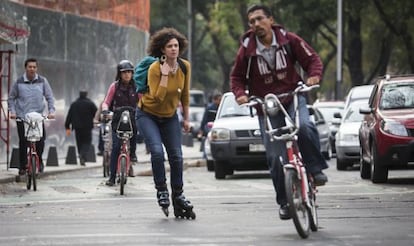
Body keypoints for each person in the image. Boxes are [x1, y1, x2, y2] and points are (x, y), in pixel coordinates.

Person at [230, 4, 328, 220]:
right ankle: (284, 202)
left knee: (305, 127)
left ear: (271, 20)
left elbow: (313, 60)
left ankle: (315, 168)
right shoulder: (247, 49)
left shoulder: (289, 40)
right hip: (267, 105)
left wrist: (313, 76)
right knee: (275, 156)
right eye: (251, 21)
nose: (256, 24)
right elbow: (236, 77)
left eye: (259, 19)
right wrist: (240, 94)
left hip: (293, 96)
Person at [135, 27, 195, 218]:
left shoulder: (185, 66)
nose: (173, 49)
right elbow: (158, 97)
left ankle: (178, 194)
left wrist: (186, 118)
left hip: (170, 117)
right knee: (157, 152)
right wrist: (165, 75)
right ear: (162, 50)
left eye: (176, 45)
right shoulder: (154, 69)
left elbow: (184, 94)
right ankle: (161, 189)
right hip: (148, 115)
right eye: (169, 46)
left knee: (177, 156)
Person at [7, 58, 55, 175]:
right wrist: (12, 112)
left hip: (38, 118)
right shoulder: (18, 82)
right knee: (23, 142)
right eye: (30, 67)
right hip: (22, 117)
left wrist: (51, 111)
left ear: (36, 68)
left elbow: (49, 97)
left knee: (41, 140)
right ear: (26, 68)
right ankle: (23, 166)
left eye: (34, 67)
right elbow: (11, 98)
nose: (32, 69)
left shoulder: (43, 81)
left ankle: (39, 161)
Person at [102, 60, 138, 185]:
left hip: (132, 119)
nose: (127, 75)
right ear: (119, 74)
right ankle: (112, 177)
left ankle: (133, 154)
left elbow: (142, 101)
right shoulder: (114, 86)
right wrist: (105, 110)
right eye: (124, 72)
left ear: (132, 73)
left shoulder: (136, 86)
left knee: (135, 134)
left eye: (129, 72)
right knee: (116, 147)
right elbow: (106, 102)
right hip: (117, 120)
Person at [65, 90, 98, 166]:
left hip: (77, 127)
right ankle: (83, 155)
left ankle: (81, 154)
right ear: (86, 95)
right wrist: (98, 121)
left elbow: (69, 116)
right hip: (87, 127)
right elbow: (96, 114)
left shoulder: (74, 104)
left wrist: (67, 126)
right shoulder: (90, 104)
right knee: (87, 142)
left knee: (79, 142)